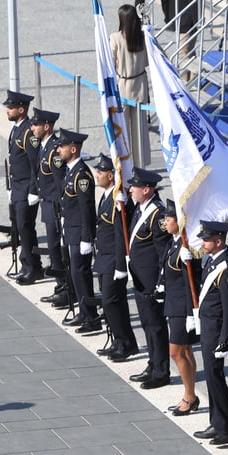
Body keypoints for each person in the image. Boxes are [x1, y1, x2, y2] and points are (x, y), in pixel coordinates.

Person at [193, 220, 228, 447]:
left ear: (218, 241)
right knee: (212, 377)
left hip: (216, 332)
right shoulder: (212, 262)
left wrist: (226, 339)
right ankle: (217, 420)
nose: (202, 242)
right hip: (208, 327)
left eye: (206, 239)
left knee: (215, 376)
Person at [125, 167, 171, 389]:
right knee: (146, 324)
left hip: (151, 282)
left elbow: (163, 254)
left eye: (134, 186)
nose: (130, 189)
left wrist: (161, 283)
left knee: (156, 326)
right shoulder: (140, 208)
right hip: (140, 279)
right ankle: (153, 364)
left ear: (146, 189)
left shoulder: (158, 214)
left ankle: (161, 371)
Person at [92, 154, 139, 363]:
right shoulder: (107, 196)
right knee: (110, 303)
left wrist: (121, 264)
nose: (97, 175)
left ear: (111, 176)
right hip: (104, 257)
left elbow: (121, 234)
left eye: (100, 173)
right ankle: (119, 341)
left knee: (112, 302)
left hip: (113, 260)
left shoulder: (118, 200)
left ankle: (125, 343)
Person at [55, 131, 100, 333]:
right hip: (71, 230)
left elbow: (87, 208)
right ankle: (84, 311)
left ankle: (91, 317)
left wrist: (86, 238)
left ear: (73, 149)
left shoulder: (81, 174)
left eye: (61, 147)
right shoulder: (71, 171)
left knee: (81, 274)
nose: (58, 150)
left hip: (79, 233)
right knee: (76, 274)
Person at [160, 200, 202, 415]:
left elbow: (191, 282)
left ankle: (189, 396)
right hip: (172, 305)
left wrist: (190, 313)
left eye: (168, 219)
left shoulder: (187, 247)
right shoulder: (174, 242)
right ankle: (190, 393)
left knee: (176, 352)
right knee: (185, 351)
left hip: (181, 308)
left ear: (179, 221)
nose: (165, 222)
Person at [30, 109, 69, 306]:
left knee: (57, 248)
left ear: (47, 127)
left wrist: (62, 211)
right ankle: (60, 286)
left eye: (36, 125)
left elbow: (60, 182)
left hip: (55, 205)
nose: (32, 128)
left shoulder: (54, 150)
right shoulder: (45, 147)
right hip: (47, 203)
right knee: (53, 249)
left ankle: (64, 289)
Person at [3, 89, 41, 282]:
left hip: (27, 188)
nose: (7, 111)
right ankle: (30, 262)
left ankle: (32, 268)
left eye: (10, 108)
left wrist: (34, 191)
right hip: (18, 186)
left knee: (26, 227)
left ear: (21, 109)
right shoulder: (18, 128)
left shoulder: (29, 131)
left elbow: (35, 164)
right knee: (21, 227)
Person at [110, 4, 150, 145]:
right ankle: (141, 162)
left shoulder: (115, 38)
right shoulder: (143, 37)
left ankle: (125, 160)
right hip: (140, 83)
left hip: (123, 85)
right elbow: (147, 61)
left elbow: (111, 63)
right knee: (140, 129)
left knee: (122, 127)